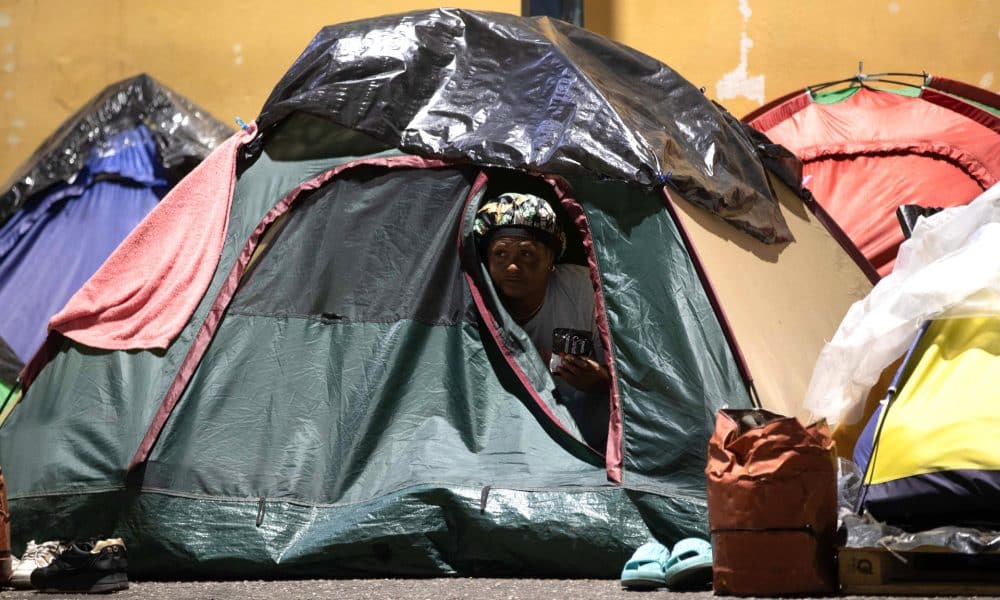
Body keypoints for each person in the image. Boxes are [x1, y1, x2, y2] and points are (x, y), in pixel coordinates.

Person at [474, 192, 610, 449]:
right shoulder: (473, 301)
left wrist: (602, 381)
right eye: (500, 254)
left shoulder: (587, 292)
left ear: (551, 259)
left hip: (587, 445)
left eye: (526, 254)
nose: (512, 267)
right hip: (505, 446)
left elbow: (637, 382)